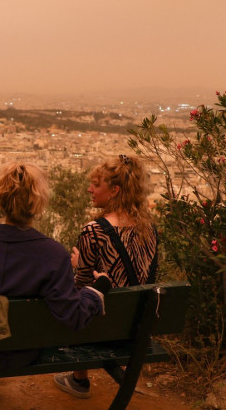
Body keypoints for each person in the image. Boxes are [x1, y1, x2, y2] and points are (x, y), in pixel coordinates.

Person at [0, 162, 111, 371]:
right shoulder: (53, 255)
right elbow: (73, 316)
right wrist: (96, 291)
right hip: (24, 355)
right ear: (39, 202)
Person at [54, 154, 158, 399]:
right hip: (137, 328)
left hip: (101, 329)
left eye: (96, 184)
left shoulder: (94, 230)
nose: (90, 189)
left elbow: (81, 286)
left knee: (81, 297)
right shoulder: (149, 227)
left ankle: (80, 380)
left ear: (114, 191)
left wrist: (78, 265)